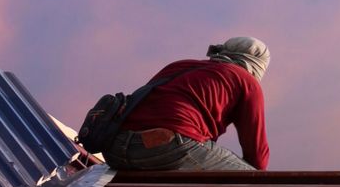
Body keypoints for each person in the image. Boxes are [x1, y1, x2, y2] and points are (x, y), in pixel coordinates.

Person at [104, 36, 271, 172]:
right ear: (257, 65)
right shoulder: (247, 81)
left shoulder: (179, 66)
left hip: (114, 149)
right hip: (165, 148)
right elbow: (256, 152)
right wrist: (257, 181)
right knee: (255, 181)